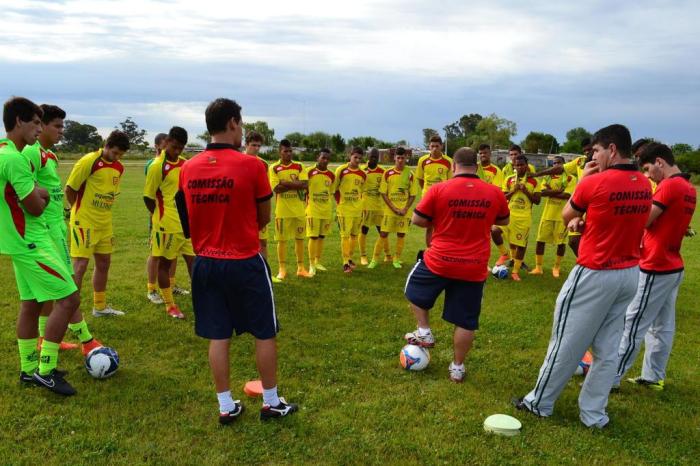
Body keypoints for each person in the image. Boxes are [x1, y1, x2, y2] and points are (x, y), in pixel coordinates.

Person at [513, 124, 652, 429]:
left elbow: (566, 214)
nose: (594, 157)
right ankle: (594, 414)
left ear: (611, 149)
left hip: (595, 272)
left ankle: (539, 403)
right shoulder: (644, 183)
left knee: (566, 339)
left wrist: (584, 181)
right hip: (630, 273)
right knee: (607, 349)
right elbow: (617, 220)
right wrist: (587, 225)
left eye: (598, 151)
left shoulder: (596, 182)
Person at [176, 97, 297, 424]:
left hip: (205, 262)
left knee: (219, 334)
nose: (242, 130)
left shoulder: (188, 168)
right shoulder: (252, 166)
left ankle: (225, 404)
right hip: (244, 259)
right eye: (241, 124)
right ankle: (271, 402)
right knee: (265, 332)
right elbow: (263, 217)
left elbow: (186, 218)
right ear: (232, 123)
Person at [404, 148, 509, 382]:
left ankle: (424, 331)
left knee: (413, 289)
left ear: (453, 166)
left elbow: (418, 219)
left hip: (440, 261)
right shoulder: (494, 192)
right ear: (478, 166)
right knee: (465, 320)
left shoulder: (439, 189)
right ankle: (458, 367)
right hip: (474, 266)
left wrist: (442, 217)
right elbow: (503, 220)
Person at [1, 97, 81, 395]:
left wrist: (36, 192)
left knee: (31, 304)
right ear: (18, 122)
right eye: (35, 122)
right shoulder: (16, 159)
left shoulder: (4, 152)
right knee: (69, 299)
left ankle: (27, 368)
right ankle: (46, 371)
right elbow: (35, 206)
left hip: (18, 244)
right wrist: (43, 192)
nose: (39, 129)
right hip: (31, 241)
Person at [614, 143, 696, 390]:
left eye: (649, 169)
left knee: (633, 322)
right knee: (662, 326)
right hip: (672, 265)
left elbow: (644, 221)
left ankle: (610, 377)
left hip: (655, 265)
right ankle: (653, 376)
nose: (648, 175)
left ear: (660, 162)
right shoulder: (689, 187)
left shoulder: (669, 186)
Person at [22, 104, 102, 355]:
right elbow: (25, 191)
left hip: (55, 228)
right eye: (57, 126)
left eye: (63, 126)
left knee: (47, 293)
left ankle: (45, 339)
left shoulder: (49, 156)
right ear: (41, 125)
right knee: (67, 288)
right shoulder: (32, 153)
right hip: (44, 231)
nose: (62, 131)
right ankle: (86, 341)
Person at [65, 130, 129, 316]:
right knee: (80, 265)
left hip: (104, 223)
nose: (117, 157)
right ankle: (69, 311)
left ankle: (99, 307)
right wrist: (77, 210)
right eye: (115, 152)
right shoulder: (88, 161)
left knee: (104, 263)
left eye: (121, 155)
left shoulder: (119, 167)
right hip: (84, 222)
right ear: (107, 145)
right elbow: (70, 188)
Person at [143, 126, 194, 320]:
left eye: (181, 148)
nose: (177, 151)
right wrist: (159, 217)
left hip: (186, 224)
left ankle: (201, 298)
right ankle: (170, 305)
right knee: (164, 264)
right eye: (174, 146)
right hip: (166, 225)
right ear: (167, 142)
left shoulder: (185, 164)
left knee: (195, 263)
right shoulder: (157, 166)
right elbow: (148, 197)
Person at [534, 138, 593, 256]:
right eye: (585, 150)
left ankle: (591, 265)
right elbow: (560, 169)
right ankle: (585, 263)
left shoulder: (603, 163)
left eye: (589, 150)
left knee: (591, 241)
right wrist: (538, 173)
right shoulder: (580, 161)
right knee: (573, 241)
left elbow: (566, 195)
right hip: (580, 207)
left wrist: (552, 192)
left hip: (594, 207)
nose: (587, 153)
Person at [269, 139, 312, 280]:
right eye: (285, 151)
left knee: (300, 239)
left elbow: (305, 184)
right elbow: (277, 189)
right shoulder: (274, 168)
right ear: (279, 152)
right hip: (282, 211)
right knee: (282, 241)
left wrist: (285, 182)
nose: (288, 154)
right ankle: (282, 269)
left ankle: (301, 268)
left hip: (299, 210)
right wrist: (295, 184)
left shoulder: (299, 166)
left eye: (290, 151)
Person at [493, 155, 541, 281]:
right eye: (517, 165)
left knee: (521, 245)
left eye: (521, 165)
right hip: (508, 215)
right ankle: (505, 253)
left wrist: (526, 191)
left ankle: (515, 271)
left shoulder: (534, 181)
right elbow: (503, 198)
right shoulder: (509, 179)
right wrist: (513, 191)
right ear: (514, 166)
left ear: (526, 165)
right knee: (494, 231)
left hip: (524, 217)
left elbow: (537, 201)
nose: (519, 167)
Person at [373, 147, 417, 269]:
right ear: (394, 158)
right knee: (383, 233)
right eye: (398, 158)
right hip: (390, 210)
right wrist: (393, 208)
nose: (400, 160)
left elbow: (413, 194)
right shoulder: (387, 173)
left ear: (406, 158)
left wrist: (405, 208)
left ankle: (396, 259)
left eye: (403, 158)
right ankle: (374, 259)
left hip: (404, 211)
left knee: (401, 235)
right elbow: (383, 193)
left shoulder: (410, 174)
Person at [530, 156, 573, 278]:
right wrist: (558, 191)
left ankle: (556, 267)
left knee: (561, 243)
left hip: (562, 215)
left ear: (563, 164)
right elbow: (542, 193)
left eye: (558, 163)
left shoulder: (570, 177)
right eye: (554, 163)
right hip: (547, 213)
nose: (555, 165)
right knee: (540, 240)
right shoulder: (548, 177)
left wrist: (551, 191)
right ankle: (538, 267)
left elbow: (567, 195)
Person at [415, 136, 452, 246]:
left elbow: (450, 182)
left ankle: (442, 249)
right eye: (432, 146)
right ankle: (430, 251)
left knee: (442, 226)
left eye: (437, 146)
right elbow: (420, 179)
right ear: (429, 147)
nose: (434, 148)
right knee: (429, 226)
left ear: (441, 146)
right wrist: (428, 193)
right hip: (428, 198)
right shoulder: (423, 160)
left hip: (443, 199)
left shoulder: (448, 161)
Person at [146, 133, 169, 303]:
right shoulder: (153, 165)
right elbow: (151, 192)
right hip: (157, 215)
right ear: (156, 147)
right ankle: (151, 289)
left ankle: (171, 284)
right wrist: (153, 214)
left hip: (171, 217)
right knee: (156, 253)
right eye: (163, 146)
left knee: (170, 253)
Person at [335, 147, 366, 273]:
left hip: (357, 210)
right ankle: (345, 262)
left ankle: (350, 258)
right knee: (345, 235)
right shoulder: (341, 170)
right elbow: (335, 189)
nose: (357, 160)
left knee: (354, 235)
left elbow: (362, 191)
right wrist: (339, 203)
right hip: (344, 209)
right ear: (350, 156)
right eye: (355, 157)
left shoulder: (363, 174)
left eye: (359, 158)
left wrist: (361, 205)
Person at [305, 149, 335, 275]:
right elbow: (304, 189)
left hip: (326, 210)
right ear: (318, 157)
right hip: (313, 210)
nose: (325, 161)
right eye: (323, 158)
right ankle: (311, 264)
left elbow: (331, 192)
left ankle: (317, 261)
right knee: (313, 236)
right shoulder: (309, 172)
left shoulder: (331, 175)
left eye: (328, 158)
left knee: (322, 236)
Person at [359, 148, 387, 265]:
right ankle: (363, 256)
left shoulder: (382, 171)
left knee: (383, 231)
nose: (374, 159)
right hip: (365, 206)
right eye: (372, 156)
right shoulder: (362, 170)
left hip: (378, 206)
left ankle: (387, 254)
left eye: (376, 157)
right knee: (364, 230)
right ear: (367, 156)